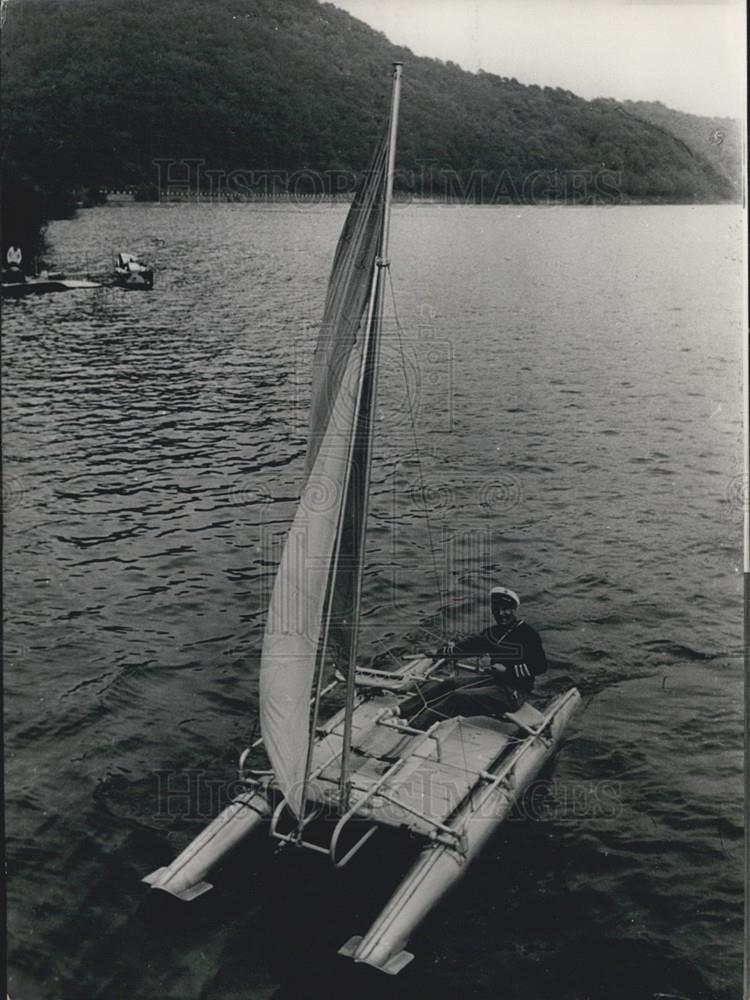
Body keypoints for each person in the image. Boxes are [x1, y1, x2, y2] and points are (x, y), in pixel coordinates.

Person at [425, 586, 548, 721]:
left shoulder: (528, 634)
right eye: (497, 609)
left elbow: (540, 666)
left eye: (505, 609)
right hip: (492, 680)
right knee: (449, 684)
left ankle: (414, 725)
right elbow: (468, 647)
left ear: (514, 609)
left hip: (514, 691)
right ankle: (401, 711)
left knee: (459, 696)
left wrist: (508, 670)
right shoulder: (492, 632)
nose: (501, 614)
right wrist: (440, 653)